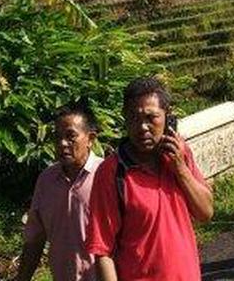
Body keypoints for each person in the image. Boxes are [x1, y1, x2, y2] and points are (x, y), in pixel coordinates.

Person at [86, 77, 214, 281]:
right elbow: (103, 251)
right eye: (134, 118)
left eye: (151, 117)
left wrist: (180, 169)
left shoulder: (179, 154)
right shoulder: (111, 172)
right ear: (125, 119)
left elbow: (205, 212)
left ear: (167, 117)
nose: (143, 127)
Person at [16, 100, 103, 281]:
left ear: (90, 139)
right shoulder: (47, 180)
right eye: (57, 137)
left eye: (70, 136)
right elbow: (35, 240)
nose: (62, 143)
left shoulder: (106, 177)